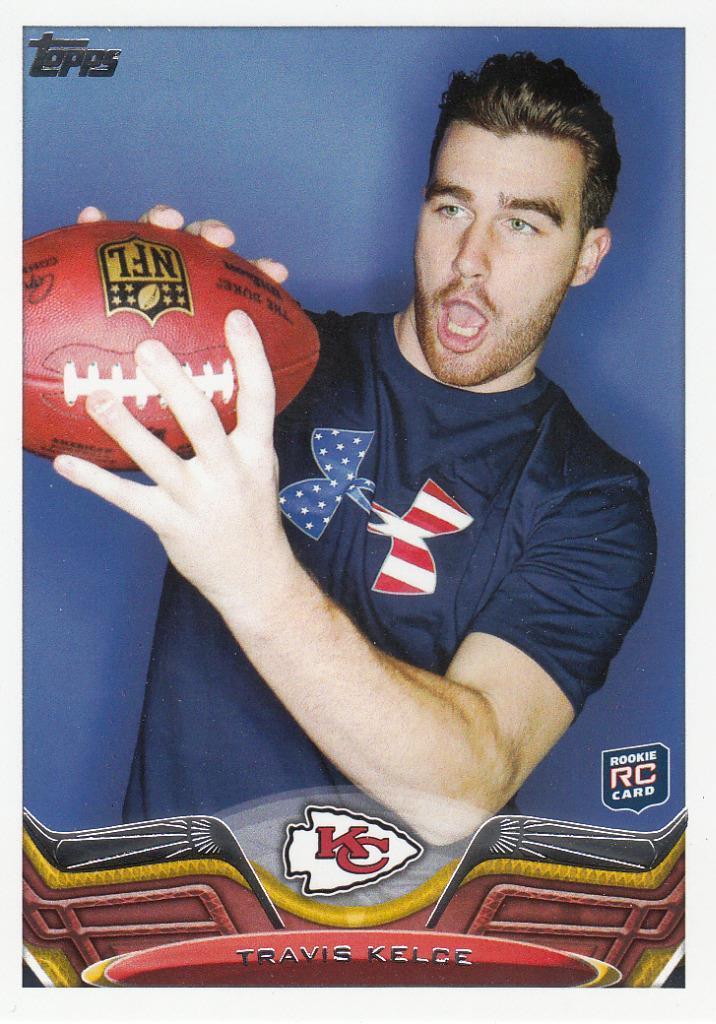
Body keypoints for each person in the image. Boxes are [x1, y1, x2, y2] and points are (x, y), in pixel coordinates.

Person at [55, 53, 656, 847]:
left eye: (522, 224)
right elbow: (62, 380)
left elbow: (464, 788)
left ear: (586, 255)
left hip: (393, 925)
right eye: (451, 208)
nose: (470, 259)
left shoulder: (593, 501)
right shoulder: (264, 365)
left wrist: (254, 580)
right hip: (172, 910)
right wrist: (108, 315)